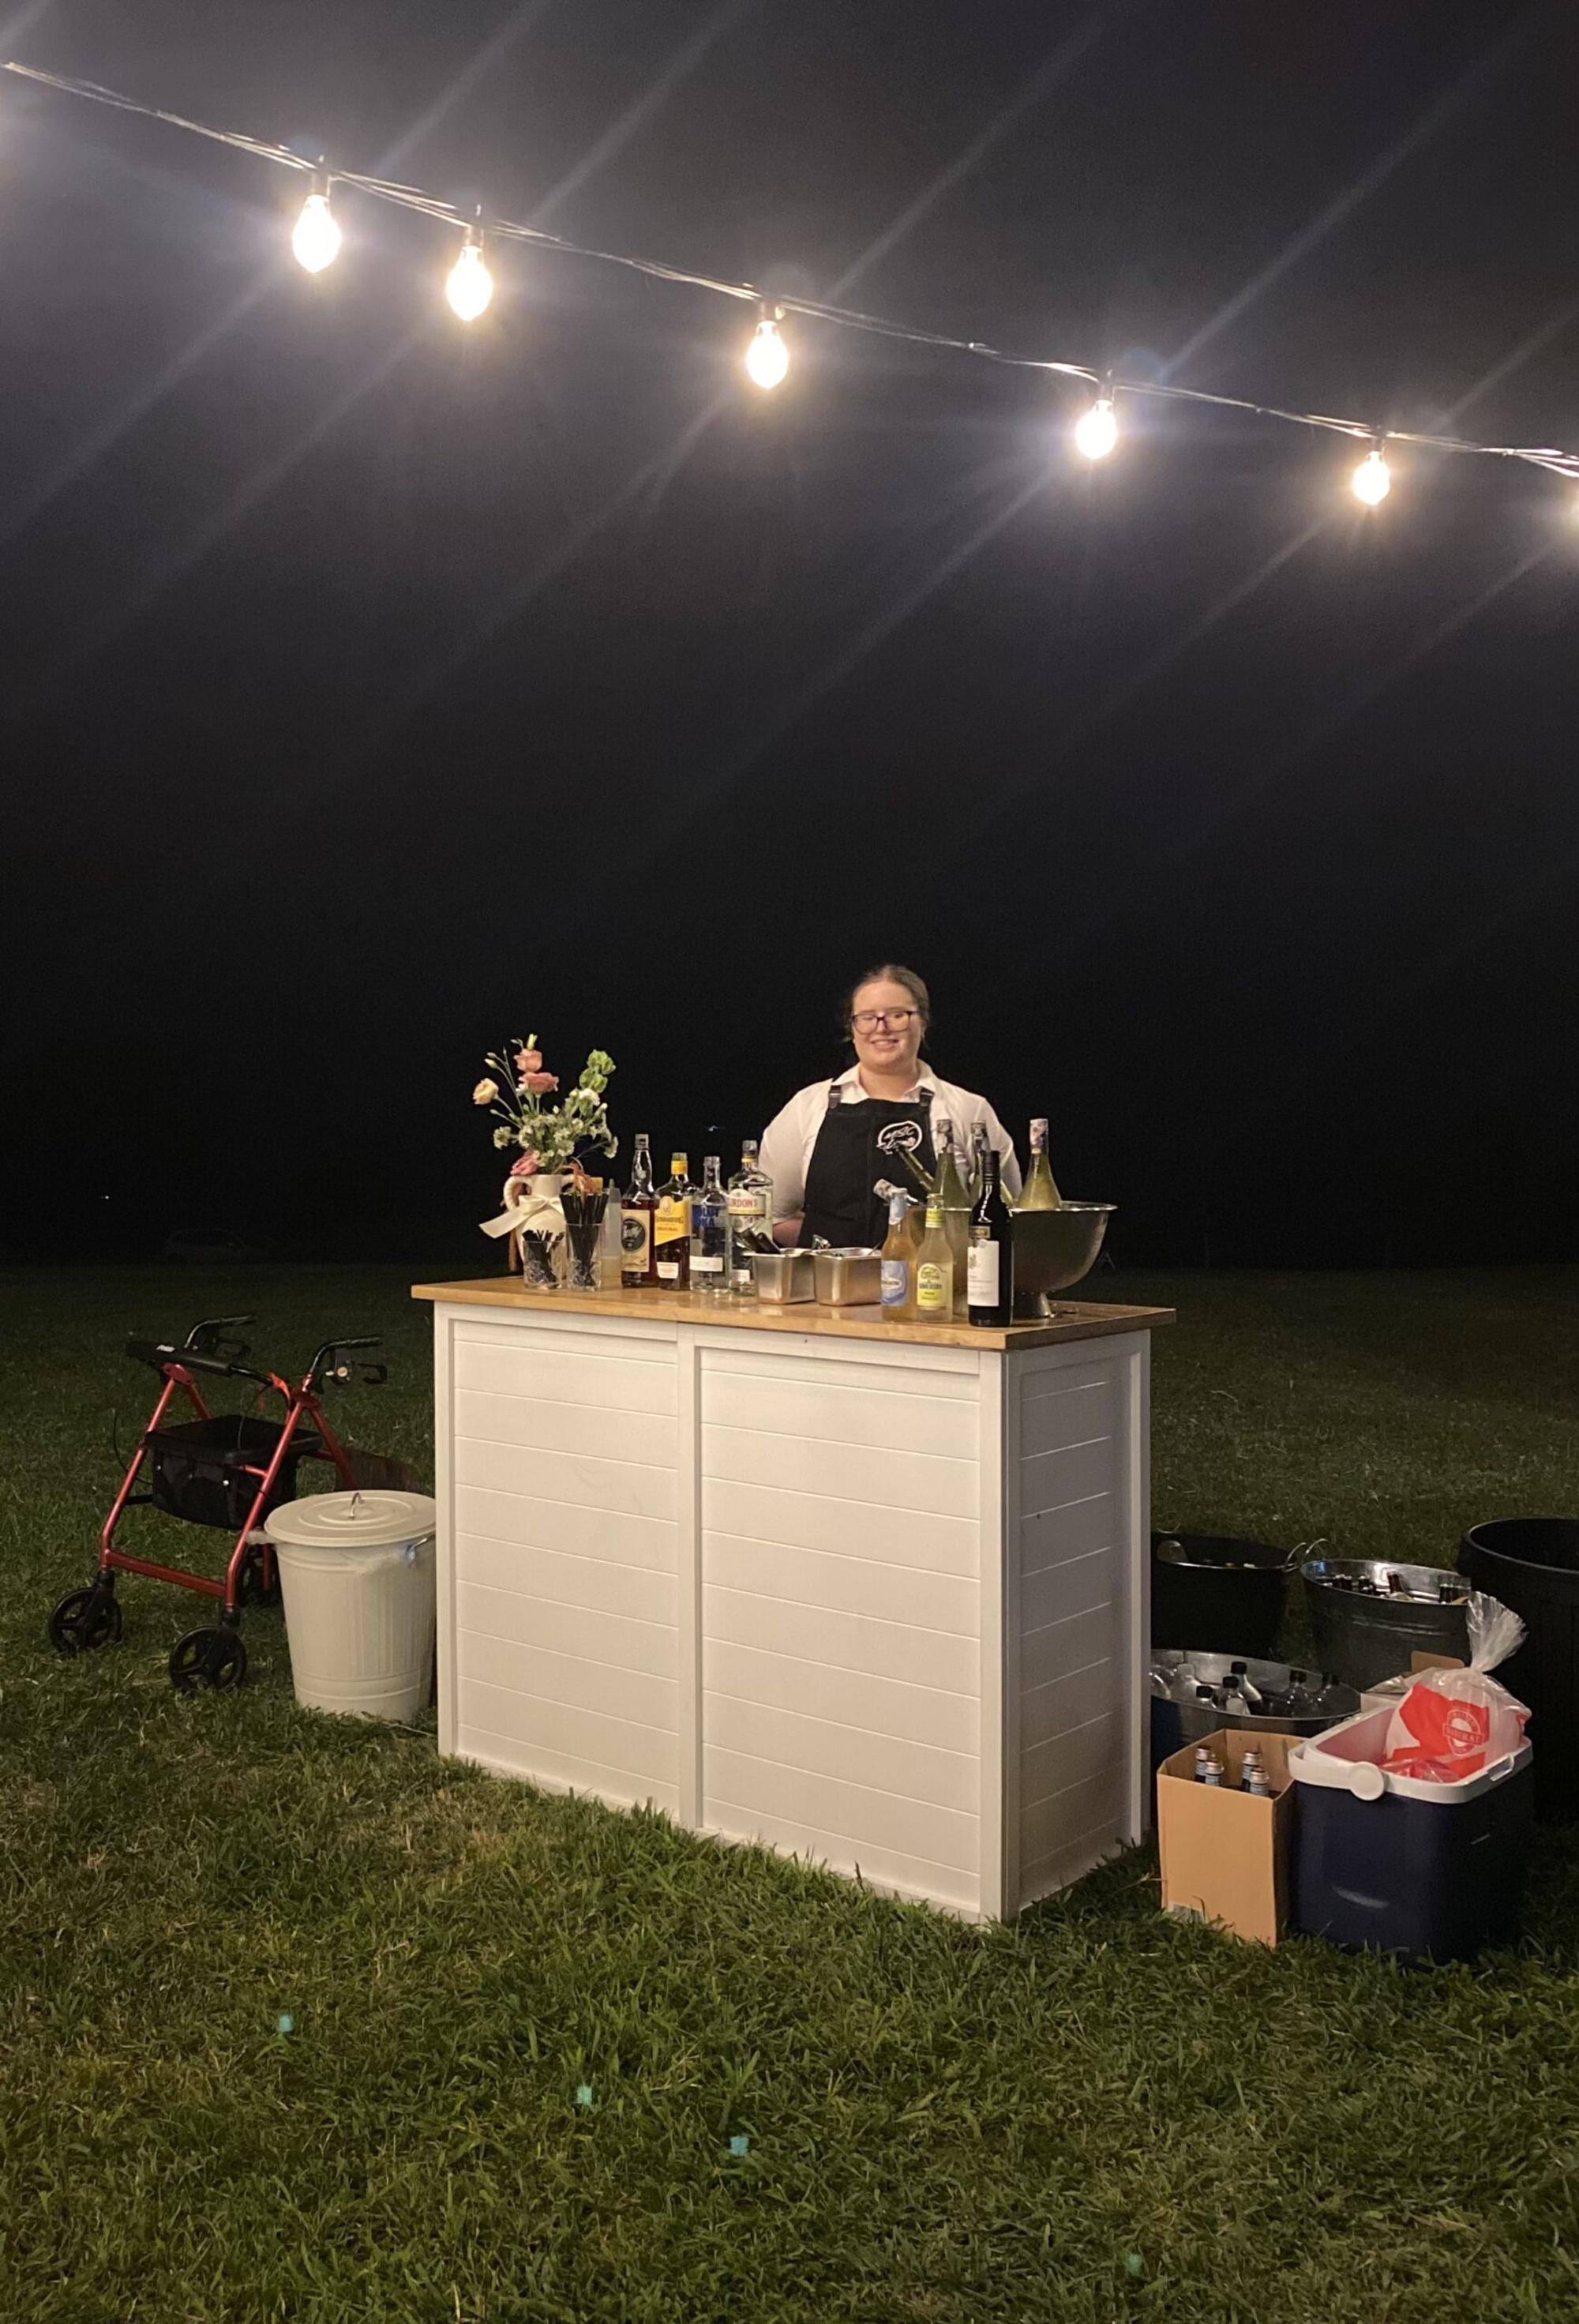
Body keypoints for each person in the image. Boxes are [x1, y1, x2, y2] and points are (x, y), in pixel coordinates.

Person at [759, 963, 1021, 1248]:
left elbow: (1008, 1215)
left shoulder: (969, 1111)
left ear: (923, 1022)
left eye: (897, 1015)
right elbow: (768, 1216)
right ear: (853, 1028)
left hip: (938, 1288)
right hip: (828, 1290)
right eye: (867, 1018)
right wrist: (833, 1251)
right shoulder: (806, 1107)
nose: (881, 1028)